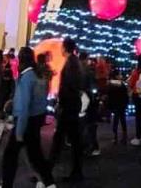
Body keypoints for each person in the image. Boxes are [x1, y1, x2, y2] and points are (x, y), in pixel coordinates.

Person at [2, 46, 55, 188]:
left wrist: (19, 131)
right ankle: (49, 183)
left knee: (10, 156)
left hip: (25, 121)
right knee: (35, 155)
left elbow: (24, 105)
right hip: (35, 119)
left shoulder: (26, 77)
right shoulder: (38, 75)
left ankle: (7, 184)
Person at [51, 38, 84, 182]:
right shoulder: (75, 62)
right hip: (72, 105)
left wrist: (60, 101)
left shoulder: (71, 63)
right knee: (71, 140)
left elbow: (68, 85)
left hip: (69, 106)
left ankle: (46, 172)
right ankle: (76, 172)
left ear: (65, 48)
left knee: (60, 140)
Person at [107, 69, 129, 144]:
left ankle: (115, 136)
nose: (121, 76)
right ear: (116, 76)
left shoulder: (111, 84)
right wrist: (126, 103)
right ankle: (124, 136)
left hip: (115, 105)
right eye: (120, 75)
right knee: (122, 120)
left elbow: (109, 95)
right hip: (121, 104)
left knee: (116, 120)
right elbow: (125, 95)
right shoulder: (122, 84)